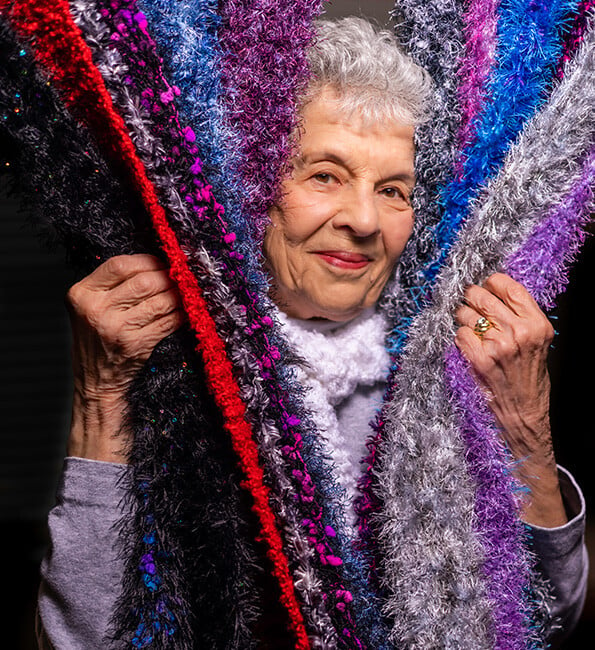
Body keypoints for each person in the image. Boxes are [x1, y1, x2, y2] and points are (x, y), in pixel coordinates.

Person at [37, 16, 587, 649]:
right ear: (249, 187)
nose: (362, 219)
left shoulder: (446, 361)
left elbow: (552, 618)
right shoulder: (170, 365)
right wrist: (102, 399)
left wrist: (524, 426)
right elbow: (79, 640)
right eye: (324, 175)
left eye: (392, 190)